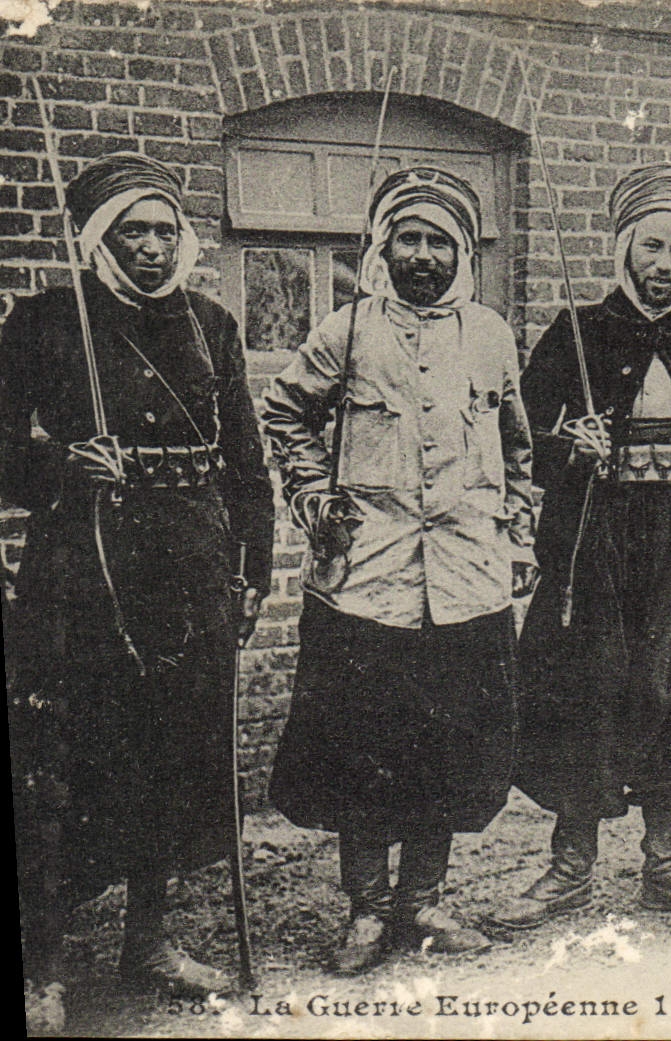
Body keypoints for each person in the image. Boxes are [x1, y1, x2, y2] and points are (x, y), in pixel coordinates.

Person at [4, 152, 274, 1023]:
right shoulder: (45, 322)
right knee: (62, 760)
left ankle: (149, 939)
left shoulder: (211, 324)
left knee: (172, 749)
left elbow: (247, 464)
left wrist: (251, 570)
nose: (154, 248)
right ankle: (42, 960)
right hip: (85, 563)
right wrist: (54, 464)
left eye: (165, 230)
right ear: (98, 239)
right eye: (133, 232)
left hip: (191, 561)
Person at [489, 164, 671, 931]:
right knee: (589, 691)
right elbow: (517, 442)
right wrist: (567, 443)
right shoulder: (578, 332)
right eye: (651, 246)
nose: (664, 265)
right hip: (599, 539)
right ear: (624, 249)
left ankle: (667, 865)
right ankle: (569, 865)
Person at [261, 168, 535, 974]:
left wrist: (517, 531)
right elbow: (284, 414)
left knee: (446, 750)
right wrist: (314, 493)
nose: (422, 255)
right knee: (361, 748)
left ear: (462, 251)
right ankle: (366, 910)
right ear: (383, 248)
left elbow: (518, 450)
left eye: (438, 241)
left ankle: (421, 901)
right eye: (406, 239)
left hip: (465, 584)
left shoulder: (492, 335)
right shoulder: (344, 331)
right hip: (364, 582)